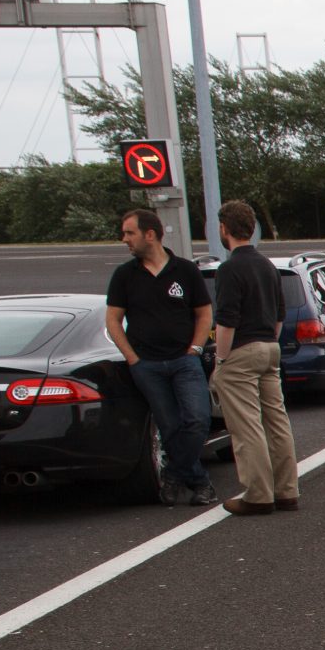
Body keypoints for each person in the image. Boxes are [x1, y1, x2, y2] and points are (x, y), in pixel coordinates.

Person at [104, 209, 216, 507]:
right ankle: (201, 482)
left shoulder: (185, 271)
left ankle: (174, 475)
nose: (124, 239)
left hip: (185, 361)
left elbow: (204, 313)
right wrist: (131, 358)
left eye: (129, 233)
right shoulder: (125, 275)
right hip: (147, 366)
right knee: (169, 426)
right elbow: (113, 320)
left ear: (149, 234)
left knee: (197, 419)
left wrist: (195, 347)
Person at [208, 200, 299, 516]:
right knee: (277, 421)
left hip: (242, 351)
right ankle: (286, 490)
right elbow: (280, 314)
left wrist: (221, 361)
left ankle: (258, 494)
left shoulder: (230, 269)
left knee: (246, 427)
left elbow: (227, 320)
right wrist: (269, 341)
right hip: (269, 348)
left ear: (224, 229)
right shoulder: (267, 266)